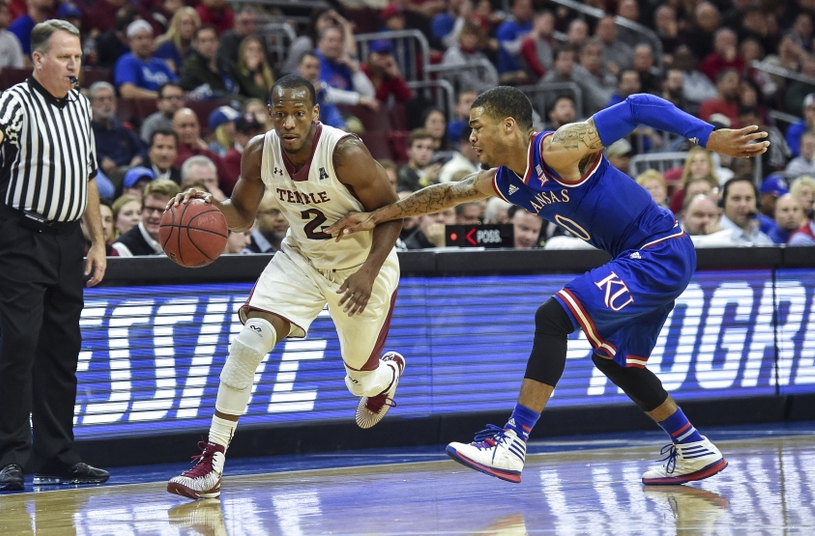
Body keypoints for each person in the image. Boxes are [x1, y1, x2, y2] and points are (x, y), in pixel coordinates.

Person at [326, 86, 769, 486]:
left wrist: (709, 136)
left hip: (658, 249)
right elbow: (444, 194)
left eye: (477, 127)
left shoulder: (557, 149)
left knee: (553, 317)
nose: (471, 138)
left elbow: (638, 106)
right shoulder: (503, 181)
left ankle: (513, 442)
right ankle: (691, 447)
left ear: (509, 125)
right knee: (617, 362)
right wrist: (375, 216)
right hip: (645, 256)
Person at [166, 74, 406, 500]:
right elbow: (241, 213)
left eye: (299, 113)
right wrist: (207, 206)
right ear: (270, 114)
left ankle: (386, 376)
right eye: (281, 114)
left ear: (315, 113)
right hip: (302, 259)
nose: (289, 123)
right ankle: (212, 462)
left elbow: (392, 212)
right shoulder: (260, 150)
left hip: (362, 266)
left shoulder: (345, 152)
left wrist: (369, 271)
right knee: (247, 342)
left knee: (360, 382)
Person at [0, 19, 110, 492]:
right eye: (65, 56)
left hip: (67, 240)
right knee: (22, 341)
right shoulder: (17, 99)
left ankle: (58, 455)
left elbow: (87, 175)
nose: (75, 64)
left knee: (62, 349)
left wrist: (99, 242)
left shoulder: (82, 105)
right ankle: (10, 455)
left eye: (79, 56)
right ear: (38, 59)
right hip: (20, 236)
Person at [112, 179, 180, 256]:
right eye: (150, 209)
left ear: (176, 213)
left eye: (162, 210)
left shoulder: (184, 239)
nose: (155, 216)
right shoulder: (123, 248)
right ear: (142, 209)